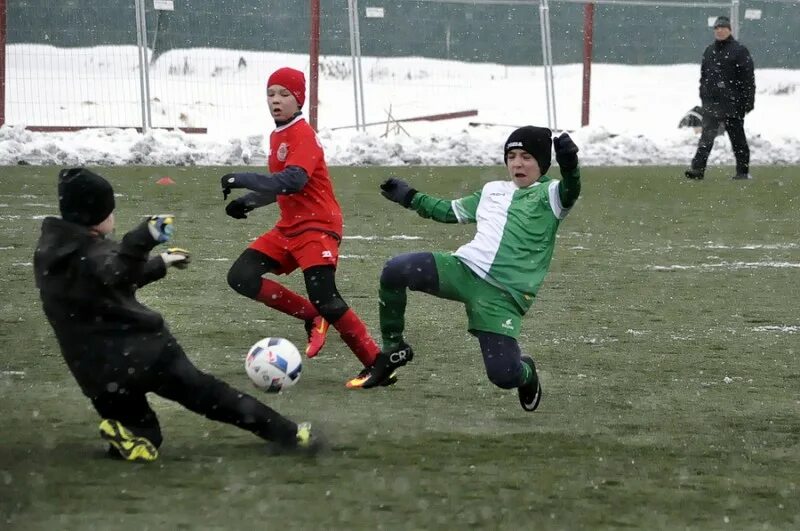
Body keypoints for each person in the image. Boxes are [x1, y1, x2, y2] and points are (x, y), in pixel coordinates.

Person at [33, 168, 319, 462]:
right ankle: (289, 433)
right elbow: (116, 271)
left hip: (96, 372)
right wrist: (143, 238)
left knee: (146, 435)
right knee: (213, 397)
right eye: (110, 210)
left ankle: (128, 434)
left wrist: (161, 262)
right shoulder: (96, 255)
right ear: (95, 215)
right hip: (145, 353)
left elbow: (110, 279)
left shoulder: (54, 252)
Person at [346, 126, 581, 413]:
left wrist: (570, 165)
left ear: (543, 162)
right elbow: (448, 210)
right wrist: (409, 197)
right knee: (396, 269)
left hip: (502, 297)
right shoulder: (492, 191)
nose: (518, 163)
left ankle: (527, 373)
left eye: (527, 157)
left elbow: (571, 188)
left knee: (504, 376)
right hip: (463, 269)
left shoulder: (551, 194)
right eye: (512, 155)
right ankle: (394, 348)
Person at [221, 67, 389, 386]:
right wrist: (248, 202)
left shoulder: (302, 133)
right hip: (290, 226)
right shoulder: (278, 135)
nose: (276, 100)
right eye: (271, 94)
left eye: (284, 94)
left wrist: (241, 178)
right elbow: (283, 186)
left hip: (317, 226)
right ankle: (312, 316)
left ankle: (376, 362)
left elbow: (294, 179)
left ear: (299, 99)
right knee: (241, 276)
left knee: (326, 295)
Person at [686, 16, 755, 181]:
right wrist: (703, 95)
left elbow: (748, 79)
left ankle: (742, 172)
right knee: (706, 138)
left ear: (729, 30)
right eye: (716, 28)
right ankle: (697, 170)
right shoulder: (709, 51)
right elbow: (704, 77)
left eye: (722, 27)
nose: (719, 30)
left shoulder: (739, 51)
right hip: (712, 104)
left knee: (737, 139)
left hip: (733, 104)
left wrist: (747, 102)